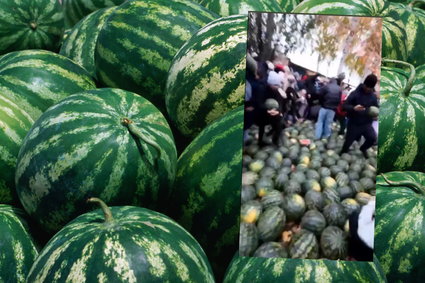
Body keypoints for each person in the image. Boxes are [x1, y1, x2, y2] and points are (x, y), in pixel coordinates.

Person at [340, 74, 379, 158]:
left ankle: (363, 148)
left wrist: (376, 115)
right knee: (347, 143)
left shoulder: (373, 97)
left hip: (367, 124)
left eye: (370, 87)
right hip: (354, 123)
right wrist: (353, 108)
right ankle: (343, 152)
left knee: (372, 139)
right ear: (364, 84)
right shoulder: (355, 93)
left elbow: (376, 108)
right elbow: (344, 106)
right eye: (367, 86)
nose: (368, 89)